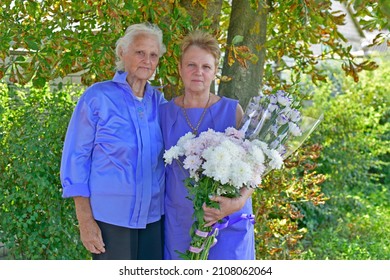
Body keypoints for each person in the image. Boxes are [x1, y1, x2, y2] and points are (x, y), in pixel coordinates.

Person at [60, 22, 167, 260]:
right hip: (110, 220)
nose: (147, 60)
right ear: (122, 53)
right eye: (140, 52)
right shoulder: (97, 97)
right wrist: (85, 221)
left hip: (153, 219)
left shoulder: (160, 102)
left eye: (153, 55)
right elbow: (76, 158)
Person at [160, 30, 255, 260]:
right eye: (191, 65)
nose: (198, 72)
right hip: (179, 222)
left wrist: (239, 201)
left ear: (215, 72)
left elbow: (254, 167)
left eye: (206, 67)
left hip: (227, 220)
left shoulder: (233, 111)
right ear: (180, 68)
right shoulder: (163, 113)